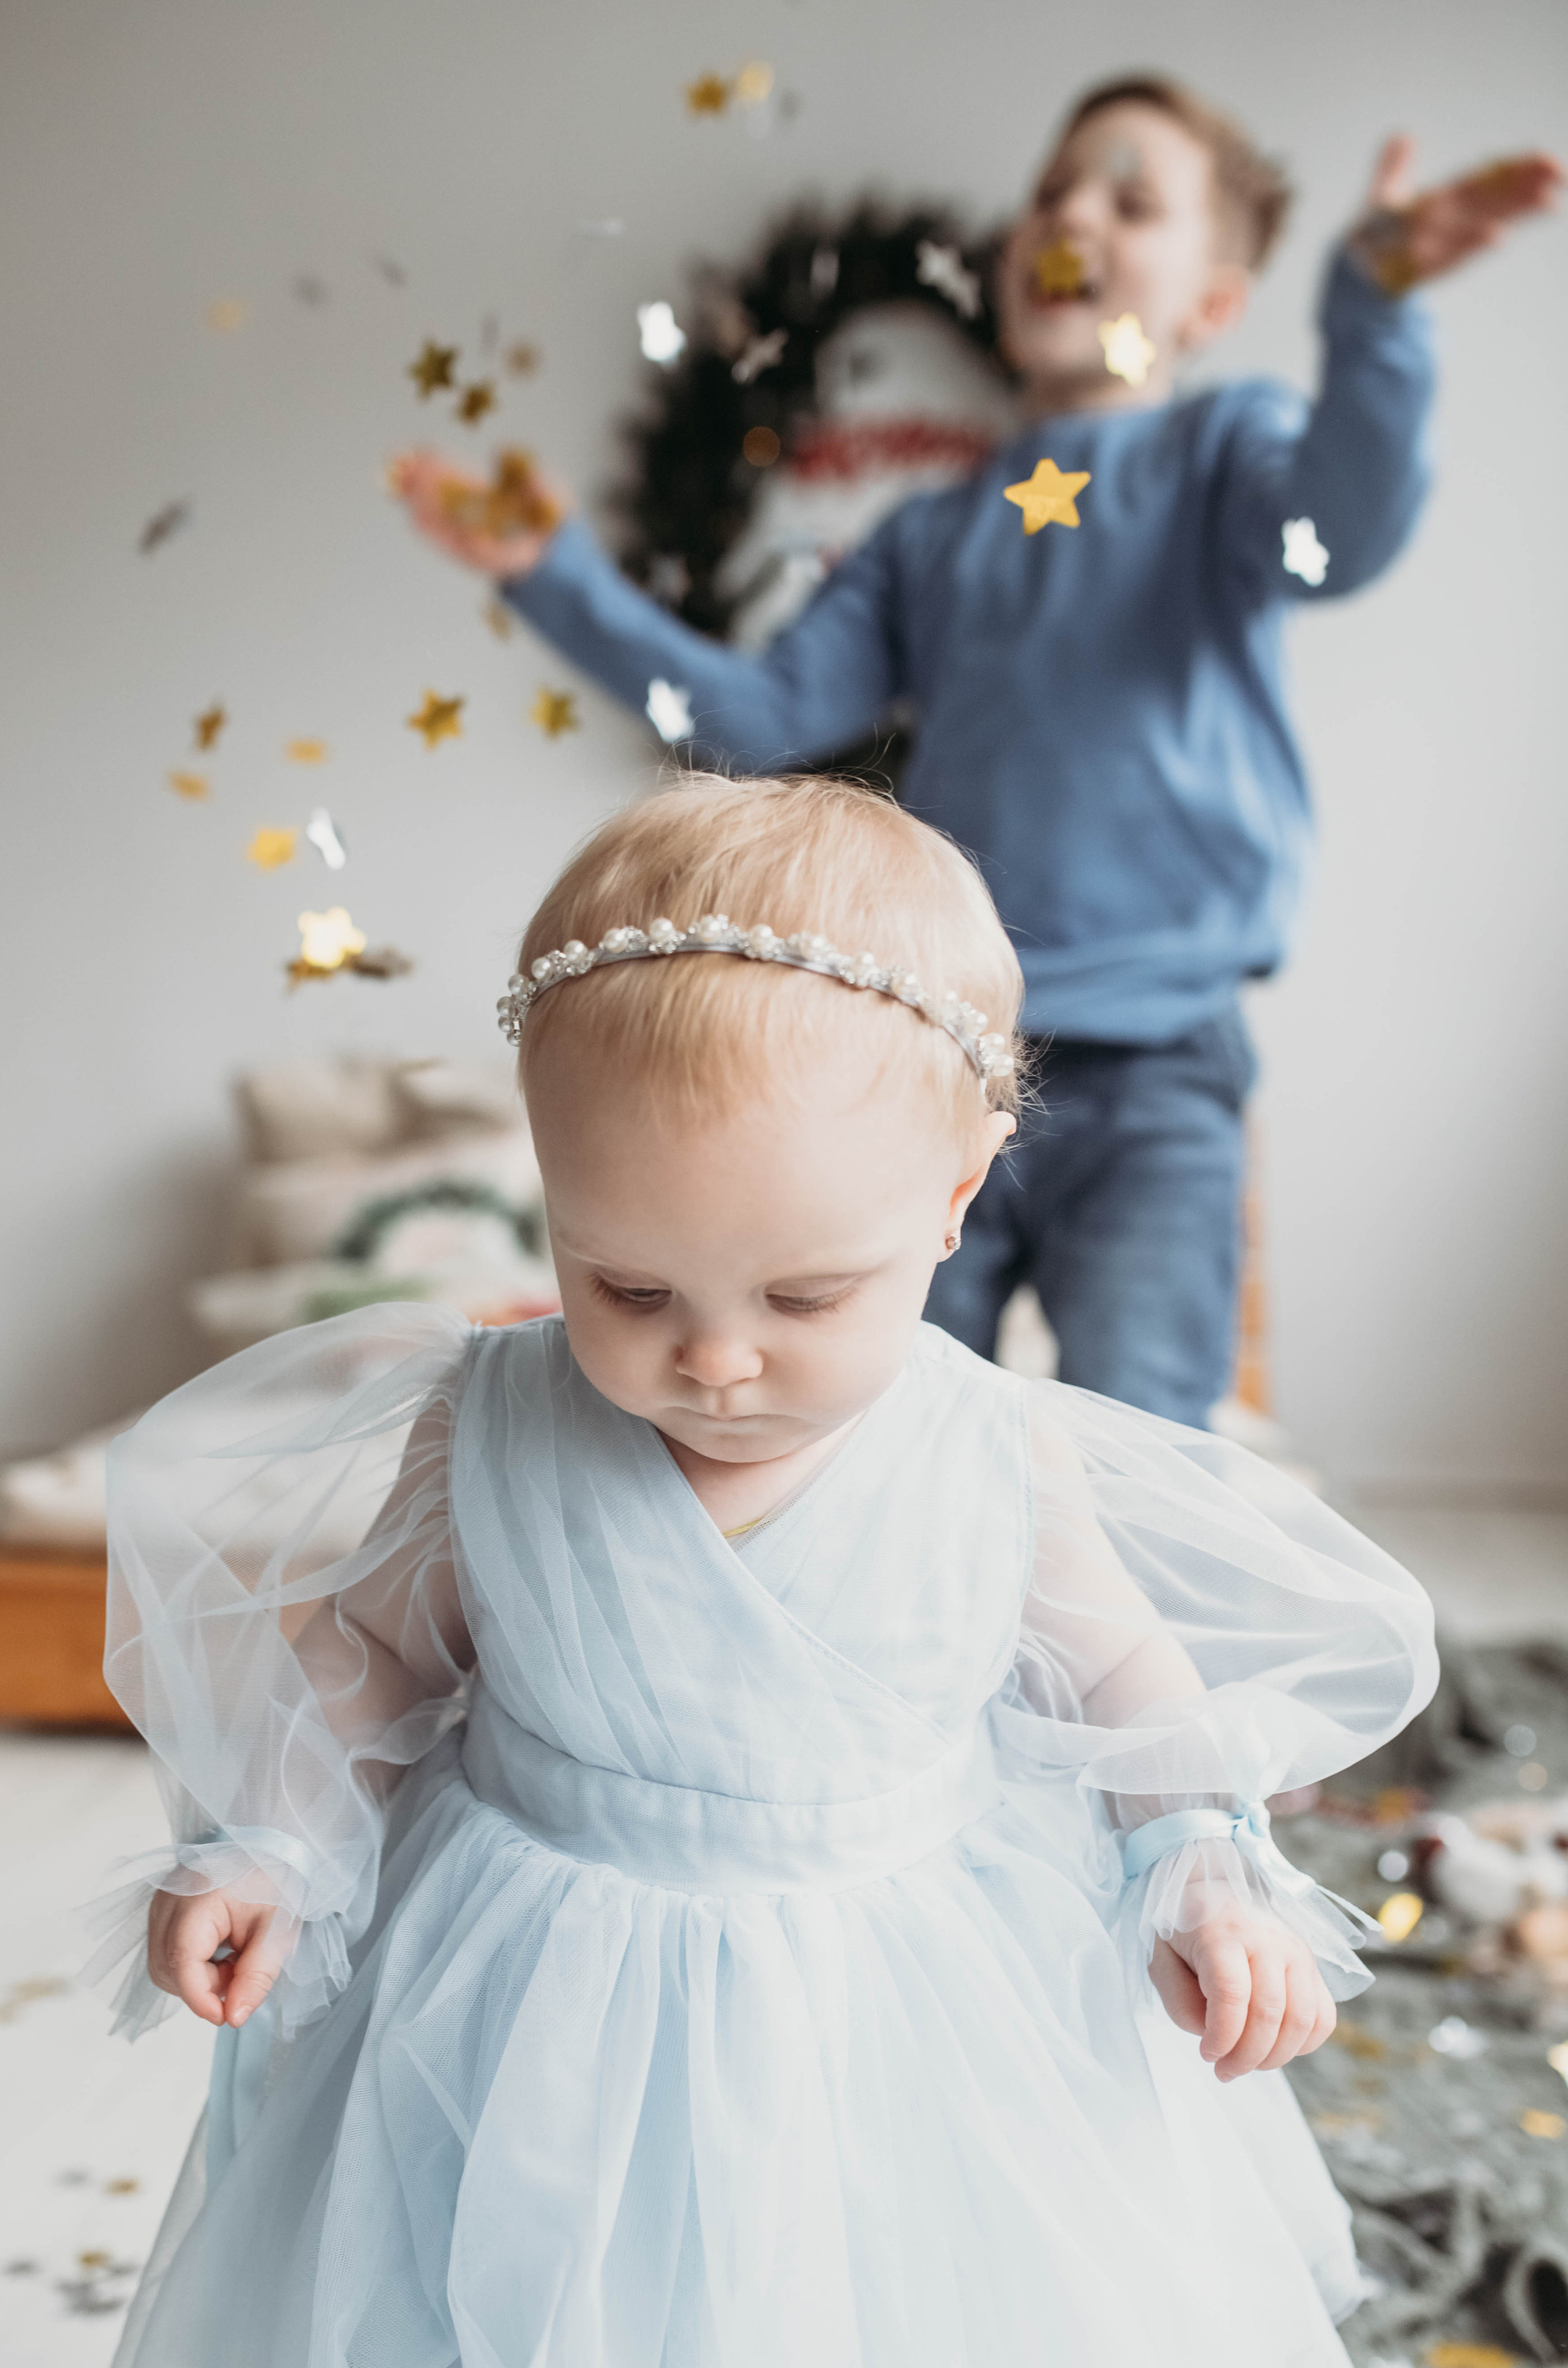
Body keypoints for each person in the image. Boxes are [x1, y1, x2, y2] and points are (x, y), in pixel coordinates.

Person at [87, 775, 1440, 2368]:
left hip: (881, 2023)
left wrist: (1206, 1871)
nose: (711, 1362)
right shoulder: (487, 1425)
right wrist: (271, 1841)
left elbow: (1130, 1676)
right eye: (622, 1285)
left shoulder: (990, 1453)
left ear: (964, 1196)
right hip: (536, 2005)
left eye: (807, 1297)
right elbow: (369, 1655)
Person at [393, 77, 1559, 1430]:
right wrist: (557, 579)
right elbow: (757, 724)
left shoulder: (1221, 460)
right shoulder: (926, 539)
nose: (1070, 216)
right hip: (932, 1045)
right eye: (1053, 193)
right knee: (877, 1433)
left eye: (1129, 200)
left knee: (1149, 1442)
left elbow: (1341, 535)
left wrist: (1377, 308)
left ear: (1214, 305)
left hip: (1162, 1061)